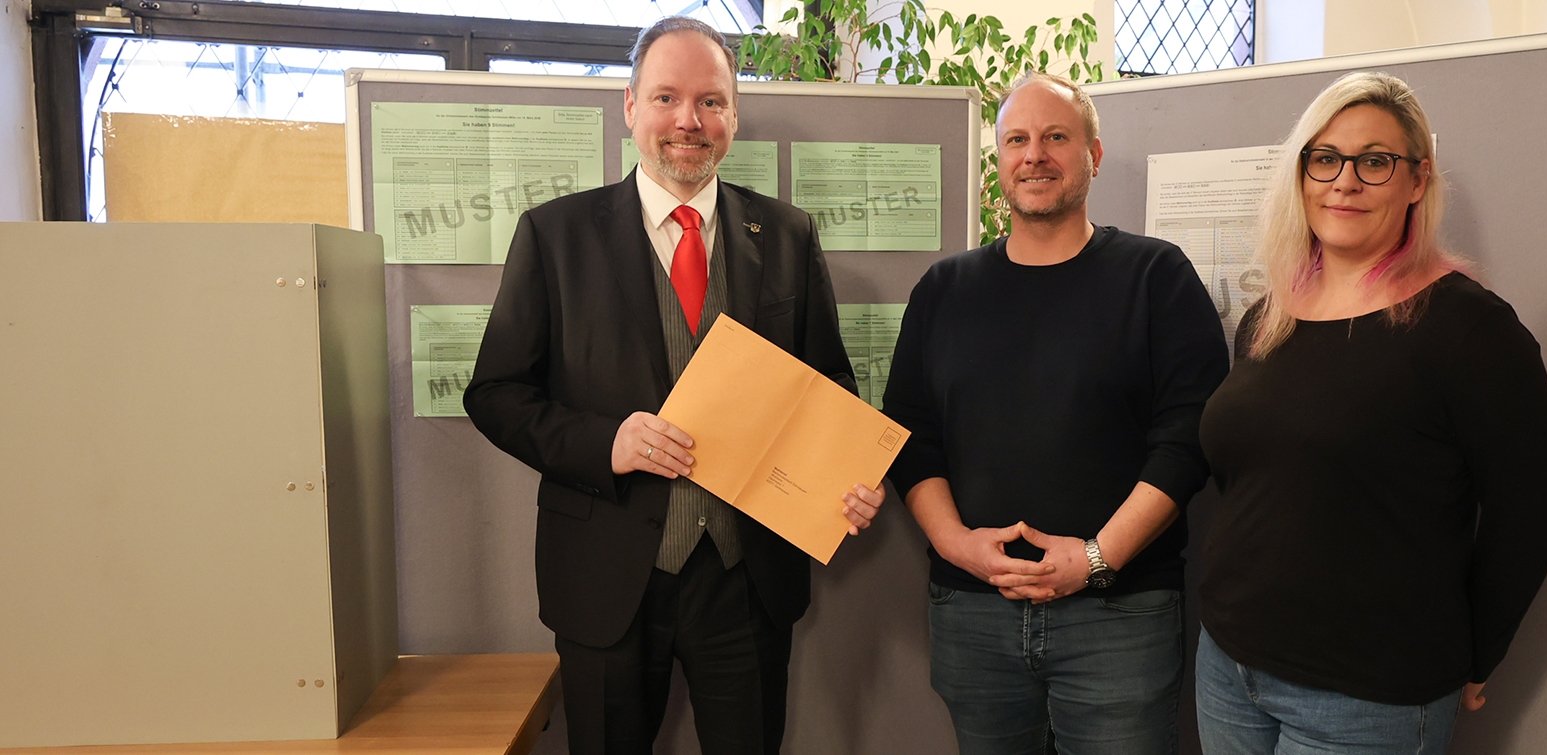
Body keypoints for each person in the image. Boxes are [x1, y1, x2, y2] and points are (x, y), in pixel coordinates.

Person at [462, 16, 885, 755]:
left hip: (746, 578)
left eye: (710, 101)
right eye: (666, 98)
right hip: (604, 581)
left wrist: (847, 474)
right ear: (630, 107)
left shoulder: (786, 236)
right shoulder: (554, 236)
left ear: (733, 114)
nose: (688, 121)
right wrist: (608, 443)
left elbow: (830, 388)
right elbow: (495, 393)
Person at [1195, 71, 1547, 754]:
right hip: (1229, 665)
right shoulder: (1268, 315)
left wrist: (1479, 652)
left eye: (1375, 162)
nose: (1345, 182)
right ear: (1301, 173)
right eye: (1325, 158)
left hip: (1364, 694)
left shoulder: (1468, 329)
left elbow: (1532, 511)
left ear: (1417, 181)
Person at [881, 71, 1229, 755]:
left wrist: (1097, 558)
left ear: (1093, 156)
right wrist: (958, 546)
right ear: (1000, 162)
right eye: (1017, 140)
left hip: (1118, 615)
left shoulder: (1156, 277)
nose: (1033, 155)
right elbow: (911, 436)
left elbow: (1189, 438)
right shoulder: (946, 290)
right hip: (974, 613)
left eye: (1055, 137)